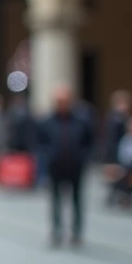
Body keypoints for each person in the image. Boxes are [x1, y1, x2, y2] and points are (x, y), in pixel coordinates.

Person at [39, 85, 94, 248]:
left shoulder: (81, 121)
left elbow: (90, 142)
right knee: (55, 200)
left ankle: (76, 233)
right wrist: (49, 156)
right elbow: (40, 142)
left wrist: (83, 157)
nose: (62, 103)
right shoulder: (47, 121)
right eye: (59, 101)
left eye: (65, 100)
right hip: (55, 167)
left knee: (77, 200)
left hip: (75, 167)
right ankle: (57, 231)